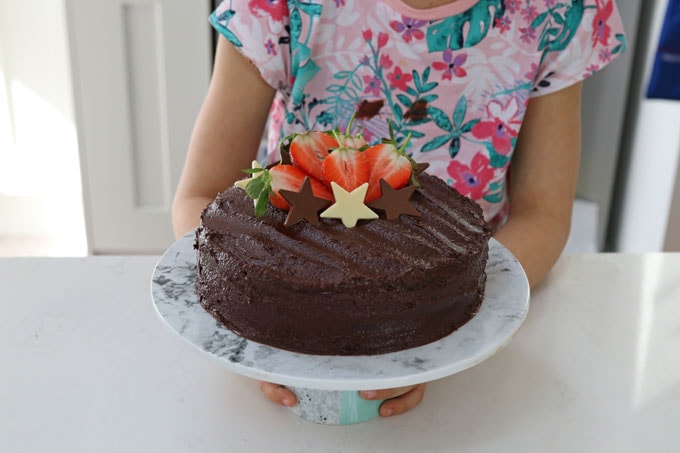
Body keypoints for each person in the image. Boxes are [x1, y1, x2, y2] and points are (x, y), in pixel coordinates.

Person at [172, 0, 626, 417]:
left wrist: (444, 335)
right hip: (278, 325)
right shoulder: (277, 8)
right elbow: (200, 198)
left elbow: (543, 215)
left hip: (469, 358)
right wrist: (258, 333)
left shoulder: (558, 13)